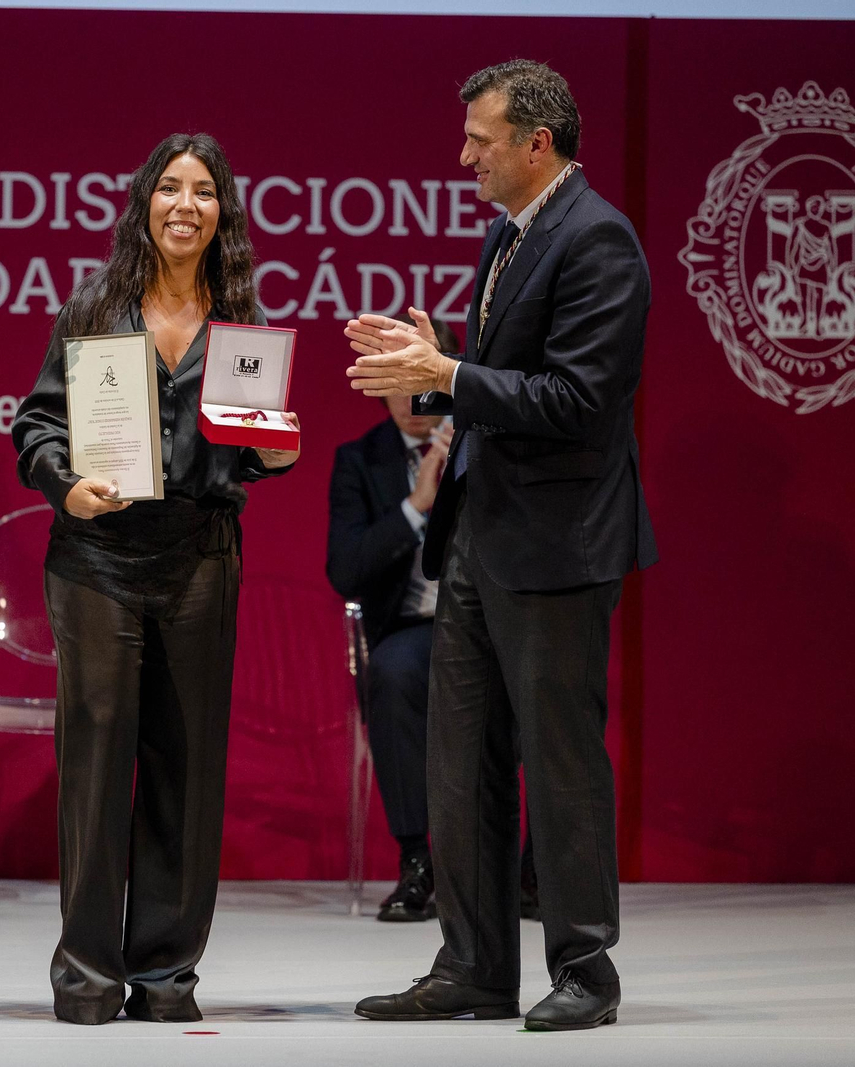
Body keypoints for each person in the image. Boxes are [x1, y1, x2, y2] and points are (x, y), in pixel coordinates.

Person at [345, 59, 655, 1031]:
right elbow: (499, 383)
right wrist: (428, 372)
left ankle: (584, 970)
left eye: (480, 137)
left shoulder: (597, 239)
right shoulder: (507, 235)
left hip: (560, 544)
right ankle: (473, 964)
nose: (463, 153)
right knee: (459, 758)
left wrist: (452, 369)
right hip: (478, 534)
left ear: (537, 143)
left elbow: (577, 400)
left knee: (559, 761)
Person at [13, 132, 299, 1025]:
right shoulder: (94, 309)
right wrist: (67, 484)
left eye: (204, 192)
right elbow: (33, 427)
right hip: (98, 556)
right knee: (97, 768)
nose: (185, 204)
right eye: (169, 188)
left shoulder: (243, 322)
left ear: (223, 215)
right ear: (145, 203)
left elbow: (250, 450)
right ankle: (89, 975)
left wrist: (277, 452)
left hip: (201, 558)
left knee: (187, 766)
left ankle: (167, 973)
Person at [327, 321, 540, 924]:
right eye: (395, 381)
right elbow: (346, 571)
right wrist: (416, 506)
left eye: (420, 377)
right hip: (415, 627)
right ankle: (419, 861)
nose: (411, 397)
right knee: (391, 675)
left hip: (495, 617)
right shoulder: (360, 461)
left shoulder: (491, 442)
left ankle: (531, 868)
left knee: (539, 669)